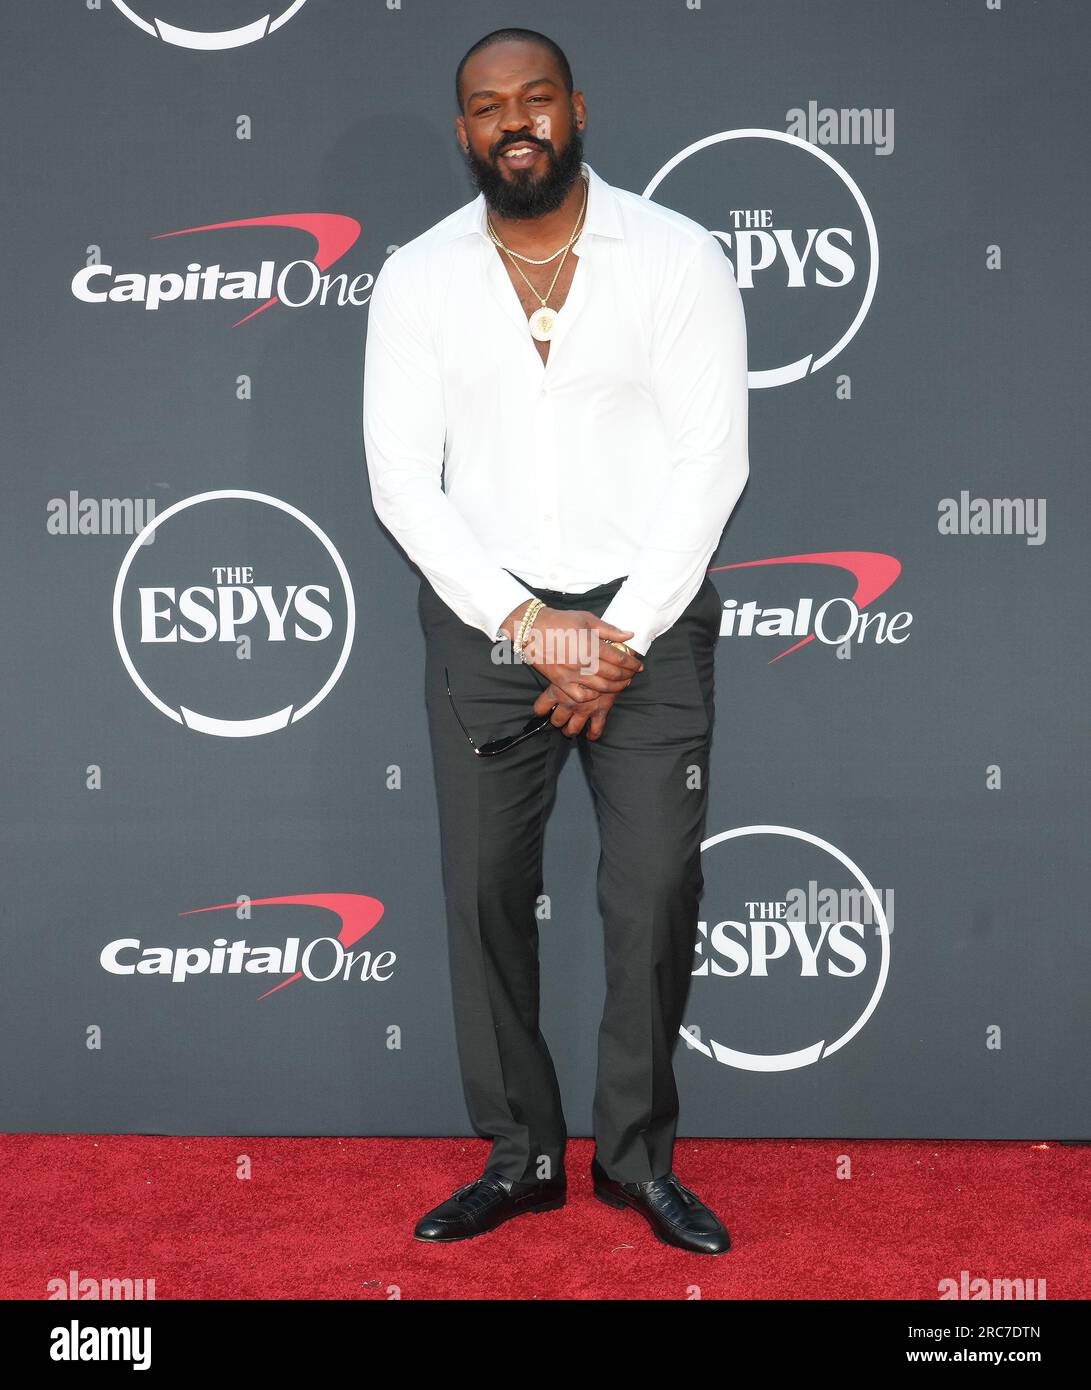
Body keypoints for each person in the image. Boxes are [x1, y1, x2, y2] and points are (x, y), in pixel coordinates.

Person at [362, 27, 749, 1256]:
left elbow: (711, 462)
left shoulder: (677, 257)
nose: (512, 120)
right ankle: (520, 1155)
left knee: (649, 899)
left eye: (534, 98)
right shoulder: (415, 277)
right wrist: (530, 627)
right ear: (464, 130)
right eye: (486, 106)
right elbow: (399, 486)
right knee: (483, 897)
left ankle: (635, 1163)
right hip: (489, 630)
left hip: (651, 629)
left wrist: (614, 637)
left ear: (576, 109)